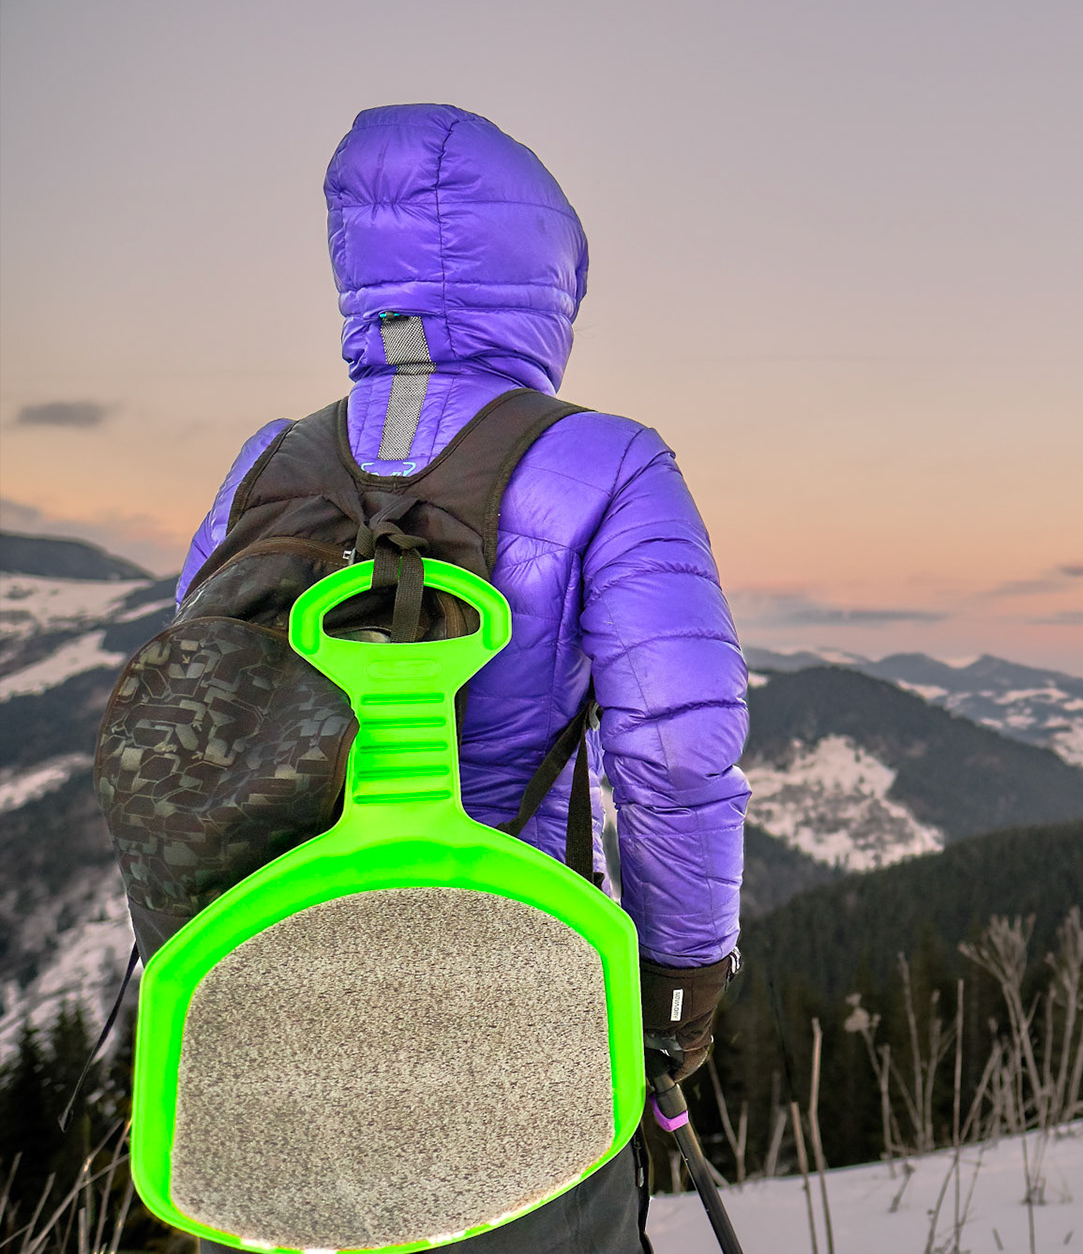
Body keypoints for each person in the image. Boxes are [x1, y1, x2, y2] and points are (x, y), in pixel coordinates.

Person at [176, 102, 750, 1251]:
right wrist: (679, 990)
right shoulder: (609, 462)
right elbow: (677, 748)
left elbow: (189, 719)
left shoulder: (266, 464)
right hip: (514, 989)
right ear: (542, 275)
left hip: (274, 990)